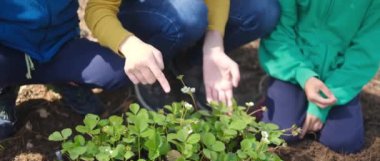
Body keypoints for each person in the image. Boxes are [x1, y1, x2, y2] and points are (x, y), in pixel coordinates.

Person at [85, 0, 280, 109]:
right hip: (139, 10)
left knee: (262, 11)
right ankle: (153, 70)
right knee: (189, 15)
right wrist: (128, 44)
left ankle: (189, 64)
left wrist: (214, 44)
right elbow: (97, 9)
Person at [259, 0, 380, 153]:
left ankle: (313, 107)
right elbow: (280, 32)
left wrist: (322, 103)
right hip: (294, 66)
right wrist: (304, 75)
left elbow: (365, 54)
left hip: (339, 77)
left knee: (345, 142)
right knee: (279, 132)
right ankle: (269, 101)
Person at [0, 0, 132, 139]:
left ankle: (65, 81)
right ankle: (6, 89)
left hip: (61, 45)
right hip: (12, 50)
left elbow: (101, 5)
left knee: (119, 71)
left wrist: (127, 44)